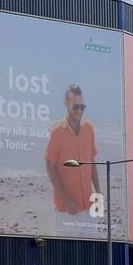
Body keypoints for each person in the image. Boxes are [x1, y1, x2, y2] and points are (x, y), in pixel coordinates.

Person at [44, 83, 101, 233]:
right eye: (76, 106)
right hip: (66, 211)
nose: (79, 111)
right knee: (66, 254)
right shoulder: (56, 132)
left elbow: (92, 161)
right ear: (66, 103)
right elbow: (49, 165)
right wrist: (66, 199)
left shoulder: (89, 129)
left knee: (92, 253)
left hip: (89, 208)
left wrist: (98, 193)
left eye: (82, 107)